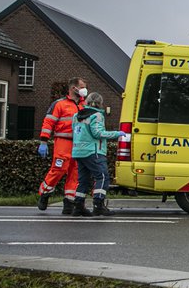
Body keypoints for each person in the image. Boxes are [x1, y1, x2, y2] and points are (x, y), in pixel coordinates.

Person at [36, 77, 86, 215]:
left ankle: (69, 202)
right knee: (59, 169)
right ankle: (44, 194)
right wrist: (43, 142)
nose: (84, 89)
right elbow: (48, 123)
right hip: (63, 141)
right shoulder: (59, 104)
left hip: (79, 143)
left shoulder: (85, 105)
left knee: (75, 172)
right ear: (73, 88)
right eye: (82, 86)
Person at [70, 91, 123, 217]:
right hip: (93, 151)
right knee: (102, 177)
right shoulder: (97, 115)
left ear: (87, 102)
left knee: (83, 180)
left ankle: (78, 206)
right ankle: (98, 205)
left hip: (78, 151)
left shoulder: (76, 115)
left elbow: (74, 131)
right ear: (100, 103)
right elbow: (98, 133)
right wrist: (117, 134)